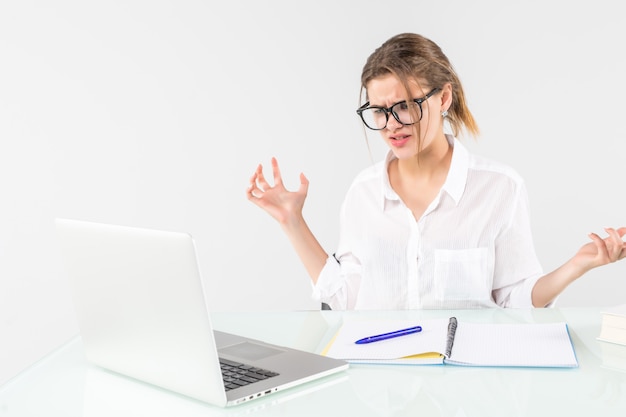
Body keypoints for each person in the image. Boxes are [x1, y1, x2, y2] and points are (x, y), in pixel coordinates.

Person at [247, 33, 626, 310]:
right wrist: (292, 221)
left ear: (443, 98)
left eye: (405, 106)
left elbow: (516, 300)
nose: (391, 125)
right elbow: (348, 301)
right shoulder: (363, 194)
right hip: (382, 388)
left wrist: (579, 265)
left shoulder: (500, 189)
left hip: (466, 387)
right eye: (378, 111)